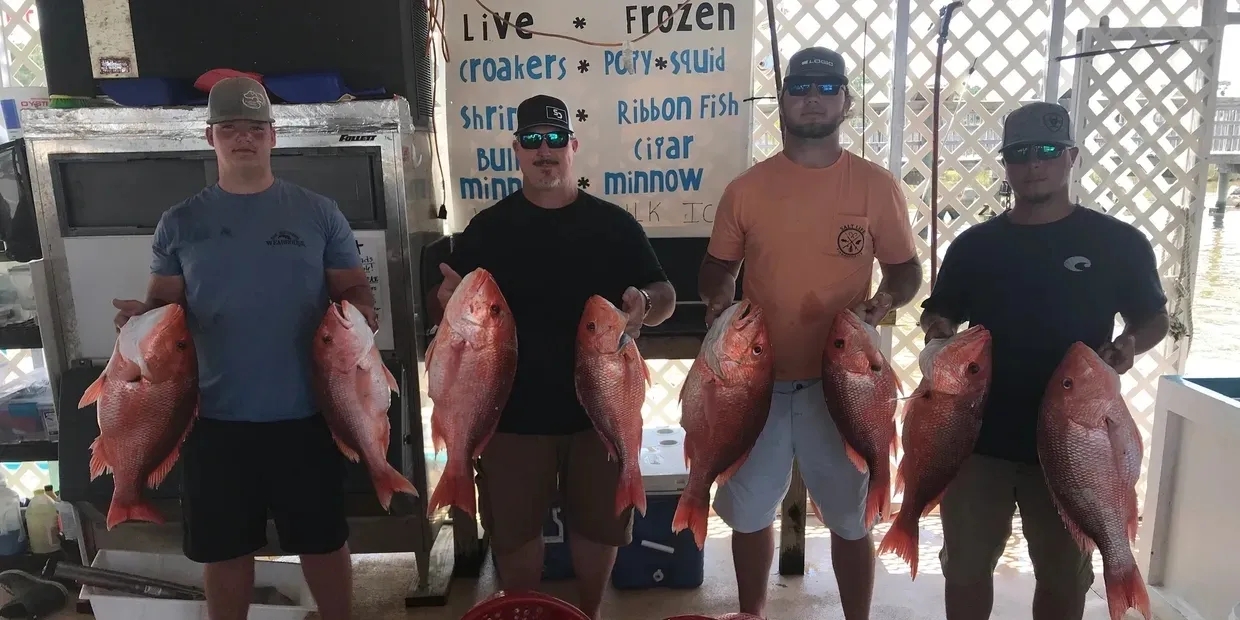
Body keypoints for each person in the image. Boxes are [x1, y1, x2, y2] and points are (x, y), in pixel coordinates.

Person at [112, 76, 374, 620]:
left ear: (273, 137)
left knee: (323, 542)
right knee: (224, 551)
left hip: (309, 412)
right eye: (230, 129)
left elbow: (354, 290)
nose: (243, 139)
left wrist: (359, 318)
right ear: (211, 138)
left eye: (255, 128)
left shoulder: (318, 213)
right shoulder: (180, 222)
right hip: (213, 419)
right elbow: (163, 309)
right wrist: (138, 324)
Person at [918, 101, 1170, 620]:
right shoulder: (975, 245)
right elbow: (940, 309)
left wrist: (1128, 346)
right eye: (1020, 153)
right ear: (1006, 164)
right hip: (976, 437)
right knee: (965, 566)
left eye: (1049, 151)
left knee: (1062, 574)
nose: (1035, 163)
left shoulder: (1117, 243)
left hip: (1076, 442)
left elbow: (1153, 318)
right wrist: (938, 335)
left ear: (1072, 156)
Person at [430, 94, 676, 620]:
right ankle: (526, 614)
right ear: (517, 150)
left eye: (555, 139)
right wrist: (445, 299)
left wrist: (646, 305)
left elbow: (664, 292)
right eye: (534, 141)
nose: (546, 151)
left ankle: (588, 613)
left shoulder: (613, 225)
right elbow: (451, 300)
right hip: (509, 415)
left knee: (598, 526)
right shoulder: (488, 228)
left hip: (600, 416)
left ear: (573, 146)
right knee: (515, 532)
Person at [698, 47, 922, 619]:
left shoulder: (876, 186)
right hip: (754, 380)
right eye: (801, 89)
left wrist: (886, 300)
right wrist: (719, 293)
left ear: (845, 100)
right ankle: (752, 612)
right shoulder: (747, 188)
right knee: (749, 513)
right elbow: (717, 265)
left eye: (827, 89)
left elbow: (905, 269)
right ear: (783, 102)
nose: (813, 100)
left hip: (842, 383)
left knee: (851, 517)